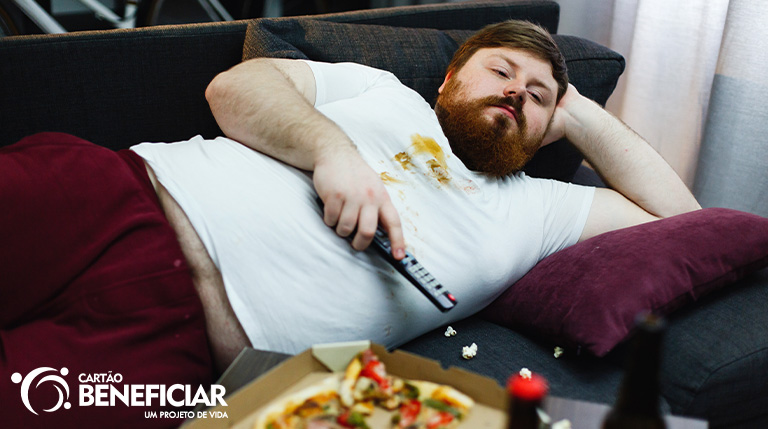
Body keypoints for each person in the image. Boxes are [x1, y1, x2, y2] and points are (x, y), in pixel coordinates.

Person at [3, 19, 699, 428]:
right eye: (499, 71)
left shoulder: (540, 211)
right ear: (448, 80)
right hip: (113, 198)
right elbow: (236, 88)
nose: (517, 88)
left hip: (169, 346)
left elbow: (685, 222)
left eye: (537, 94)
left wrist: (574, 107)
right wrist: (329, 150)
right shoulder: (381, 91)